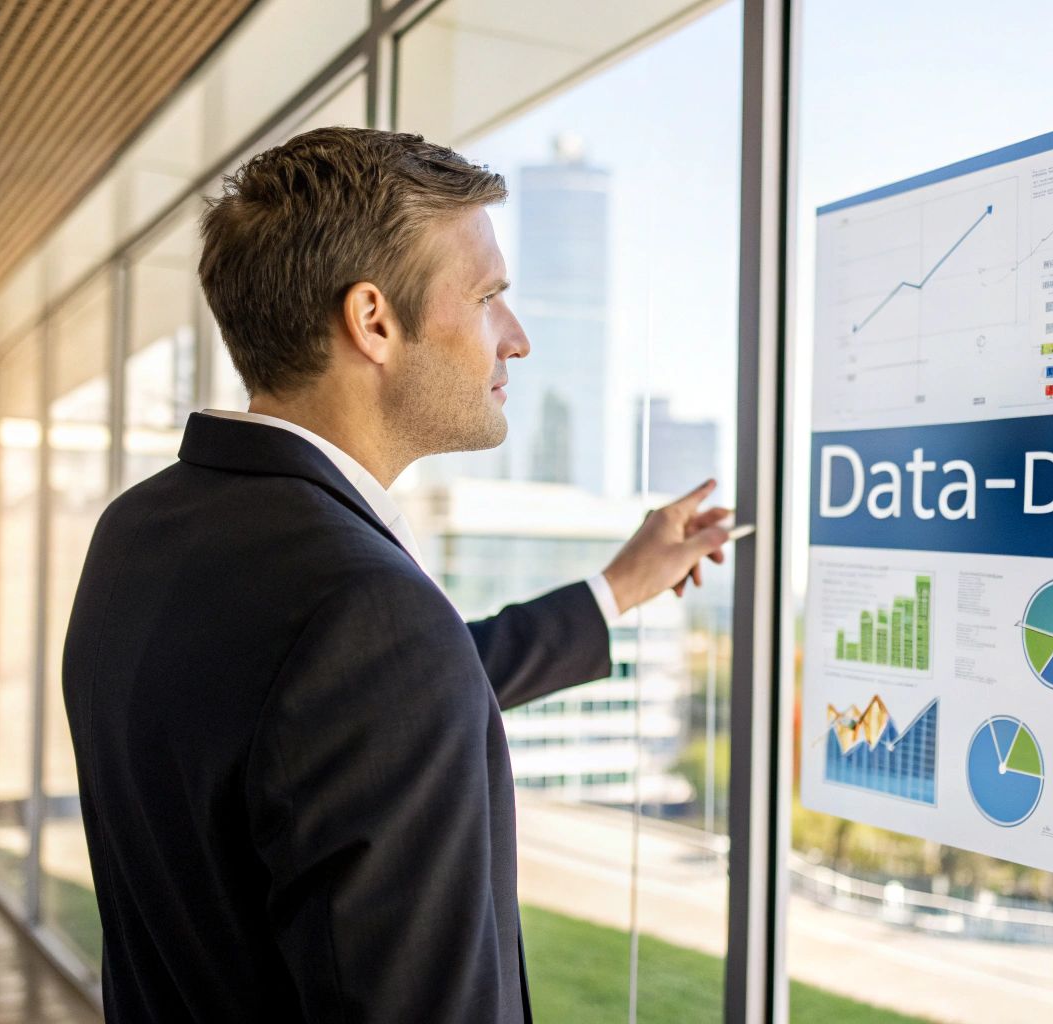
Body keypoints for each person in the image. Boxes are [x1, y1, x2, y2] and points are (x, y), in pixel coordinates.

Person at [62, 127, 733, 1022]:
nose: (518, 338)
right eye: (491, 296)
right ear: (373, 320)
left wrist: (614, 591)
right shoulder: (358, 606)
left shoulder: (141, 530)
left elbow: (344, 711)